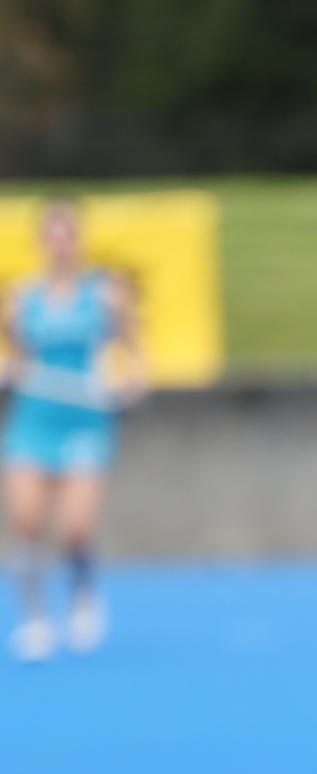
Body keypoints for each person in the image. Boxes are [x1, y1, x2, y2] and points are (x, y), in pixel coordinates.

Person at [5, 197, 142, 663]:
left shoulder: (105, 294)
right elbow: (16, 358)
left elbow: (134, 348)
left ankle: (83, 595)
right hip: (33, 421)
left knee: (76, 528)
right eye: (53, 235)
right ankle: (35, 617)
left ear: (80, 240)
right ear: (41, 242)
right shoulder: (22, 298)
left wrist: (131, 380)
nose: (61, 244)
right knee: (26, 525)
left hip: (85, 421)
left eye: (69, 235)